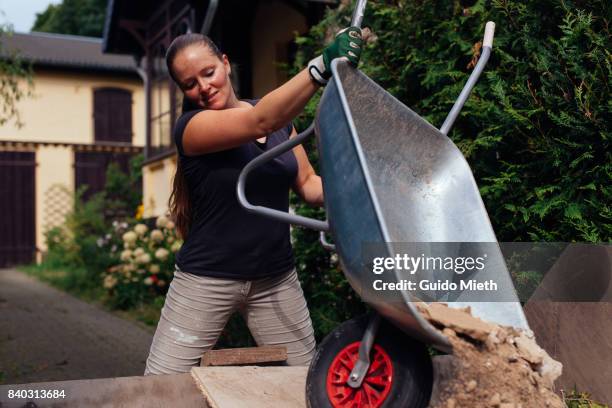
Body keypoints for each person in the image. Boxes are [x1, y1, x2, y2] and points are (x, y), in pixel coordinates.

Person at [144, 26, 363, 374]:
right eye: (189, 84)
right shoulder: (192, 128)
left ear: (226, 64)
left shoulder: (278, 124)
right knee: (160, 388)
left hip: (275, 279)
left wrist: (364, 186)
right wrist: (320, 65)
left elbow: (309, 185)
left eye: (209, 72)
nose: (203, 87)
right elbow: (260, 120)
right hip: (207, 279)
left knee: (304, 382)